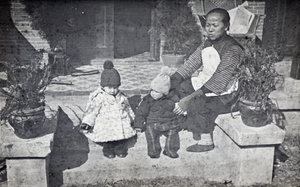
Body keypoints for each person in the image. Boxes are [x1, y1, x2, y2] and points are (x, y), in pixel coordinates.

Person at [170, 8, 244, 152]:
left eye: (214, 25)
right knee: (182, 86)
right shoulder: (207, 43)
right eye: (208, 25)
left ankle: (206, 141)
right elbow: (189, 66)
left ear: (227, 26)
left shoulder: (233, 49)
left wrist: (188, 100)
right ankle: (188, 122)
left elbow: (218, 81)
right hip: (207, 84)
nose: (210, 29)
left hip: (225, 93)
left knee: (197, 102)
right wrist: (168, 83)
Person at [80, 60, 136, 159]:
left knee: (121, 137)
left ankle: (120, 148)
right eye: (110, 87)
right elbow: (92, 112)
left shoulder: (122, 97)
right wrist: (87, 123)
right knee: (107, 136)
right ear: (103, 86)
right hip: (106, 123)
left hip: (119, 122)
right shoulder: (99, 97)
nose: (113, 90)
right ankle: (108, 148)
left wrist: (133, 119)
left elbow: (127, 108)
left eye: (115, 87)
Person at [134, 67, 186, 159]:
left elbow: (178, 111)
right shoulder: (148, 100)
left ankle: (170, 150)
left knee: (173, 133)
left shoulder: (173, 99)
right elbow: (141, 112)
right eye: (152, 90)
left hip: (169, 122)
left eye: (157, 92)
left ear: (165, 93)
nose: (153, 93)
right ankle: (153, 151)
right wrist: (138, 124)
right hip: (153, 123)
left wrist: (182, 120)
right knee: (150, 133)